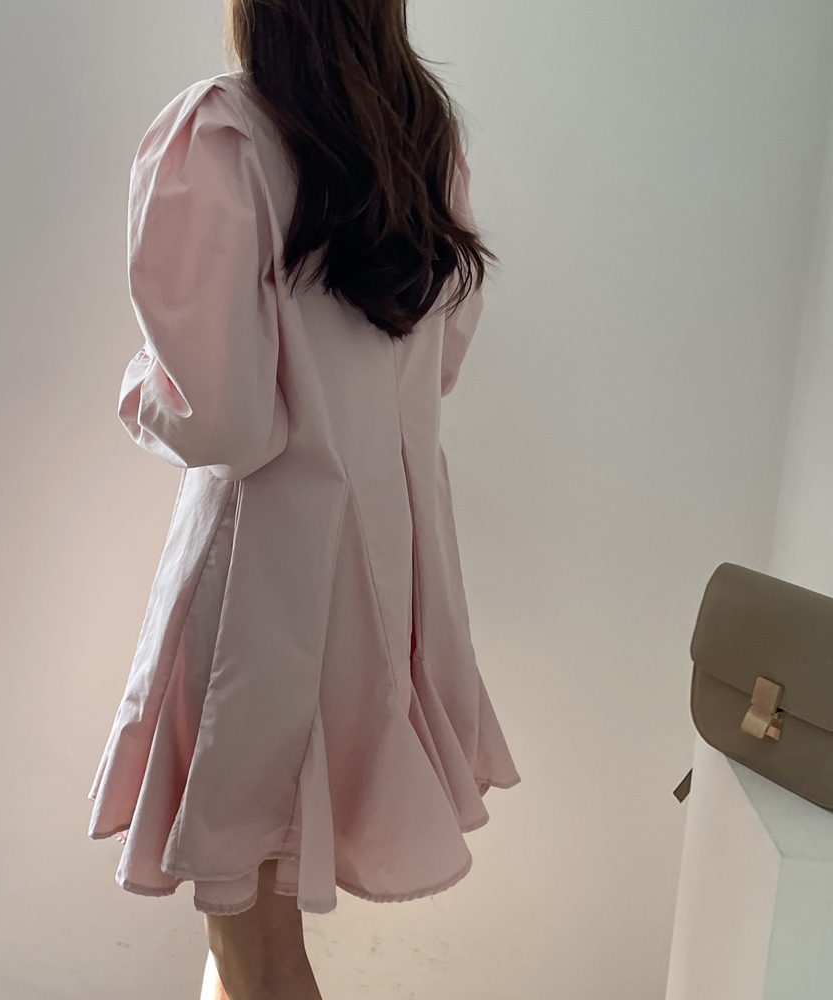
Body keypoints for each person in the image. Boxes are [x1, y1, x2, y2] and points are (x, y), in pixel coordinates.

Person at [86, 1, 521, 997]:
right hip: (393, 568)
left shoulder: (224, 136)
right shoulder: (424, 138)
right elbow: (438, 365)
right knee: (255, 924)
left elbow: (222, 422)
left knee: (252, 943)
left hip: (264, 582)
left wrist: (138, 387)